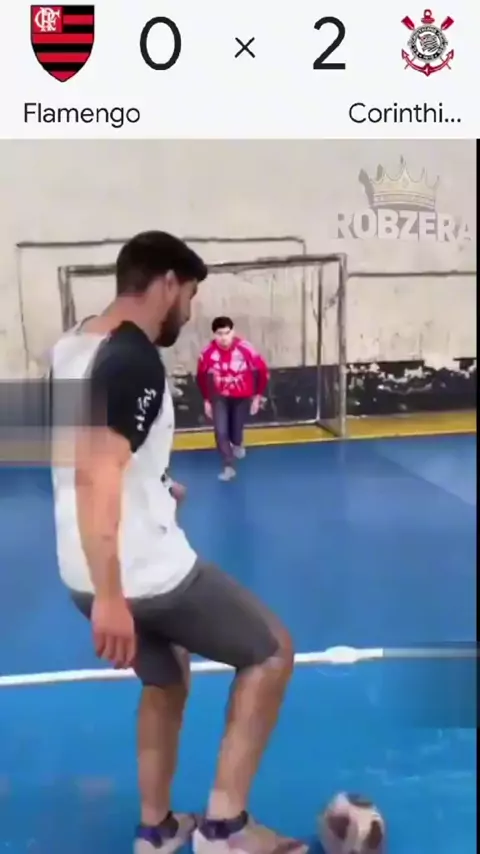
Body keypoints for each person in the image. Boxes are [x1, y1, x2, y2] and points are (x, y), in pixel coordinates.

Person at [50, 232, 305, 854]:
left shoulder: (70, 346)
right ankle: (226, 828)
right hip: (138, 573)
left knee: (166, 678)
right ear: (167, 283)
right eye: (189, 295)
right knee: (271, 652)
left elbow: (85, 451)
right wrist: (113, 595)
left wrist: (157, 487)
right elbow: (97, 473)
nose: (188, 312)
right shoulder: (133, 357)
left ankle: (157, 828)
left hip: (77, 569)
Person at [196, 317, 269, 480]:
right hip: (219, 397)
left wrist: (257, 396)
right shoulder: (207, 353)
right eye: (219, 334)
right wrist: (206, 400)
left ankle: (237, 442)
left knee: (236, 431)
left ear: (233, 332)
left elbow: (262, 372)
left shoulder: (246, 349)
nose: (223, 338)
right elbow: (200, 377)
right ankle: (228, 465)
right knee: (221, 431)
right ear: (214, 335)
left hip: (242, 396)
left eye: (227, 333)